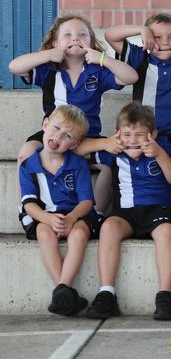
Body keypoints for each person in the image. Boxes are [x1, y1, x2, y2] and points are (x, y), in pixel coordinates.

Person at [9, 14, 138, 213]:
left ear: (92, 43)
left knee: (110, 161)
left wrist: (103, 58)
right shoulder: (49, 70)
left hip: (86, 136)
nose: (75, 38)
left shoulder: (96, 71)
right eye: (67, 35)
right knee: (26, 151)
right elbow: (14, 66)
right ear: (55, 43)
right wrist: (48, 55)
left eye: (82, 35)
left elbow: (131, 77)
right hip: (54, 134)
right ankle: (27, 207)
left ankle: (97, 213)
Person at [84, 103, 171, 320]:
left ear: (153, 134)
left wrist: (159, 154)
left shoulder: (163, 148)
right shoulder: (114, 153)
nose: (133, 140)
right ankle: (106, 293)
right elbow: (77, 149)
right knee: (108, 227)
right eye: (126, 134)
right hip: (125, 212)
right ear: (118, 134)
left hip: (158, 210)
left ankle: (165, 295)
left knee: (167, 231)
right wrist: (106, 143)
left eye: (140, 134)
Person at [18, 105, 101, 316]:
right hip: (42, 214)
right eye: (55, 128)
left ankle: (61, 290)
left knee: (80, 233)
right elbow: (28, 204)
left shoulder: (78, 164)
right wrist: (47, 218)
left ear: (75, 143)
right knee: (44, 233)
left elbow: (86, 202)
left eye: (67, 136)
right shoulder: (29, 165)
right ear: (45, 124)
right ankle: (64, 292)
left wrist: (72, 218)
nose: (58, 136)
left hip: (76, 214)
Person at [104, 12, 171, 138]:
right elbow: (110, 35)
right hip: (145, 135)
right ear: (146, 39)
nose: (165, 43)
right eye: (157, 37)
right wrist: (141, 29)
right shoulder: (140, 58)